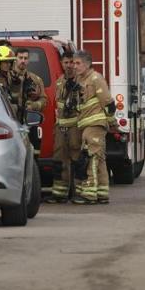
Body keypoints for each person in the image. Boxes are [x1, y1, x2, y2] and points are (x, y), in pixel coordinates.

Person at [72, 50, 114, 205]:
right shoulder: (80, 80)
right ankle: (102, 193)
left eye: (78, 63)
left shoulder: (96, 79)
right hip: (86, 124)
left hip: (95, 124)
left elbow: (108, 103)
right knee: (100, 159)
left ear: (87, 64)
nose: (74, 66)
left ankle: (90, 194)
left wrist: (112, 122)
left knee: (91, 158)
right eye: (74, 63)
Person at [52, 50, 86, 204]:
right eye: (66, 63)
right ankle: (60, 194)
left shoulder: (82, 82)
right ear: (62, 64)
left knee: (78, 159)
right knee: (60, 160)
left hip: (76, 126)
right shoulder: (59, 82)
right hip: (61, 127)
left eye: (72, 62)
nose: (69, 66)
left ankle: (80, 192)